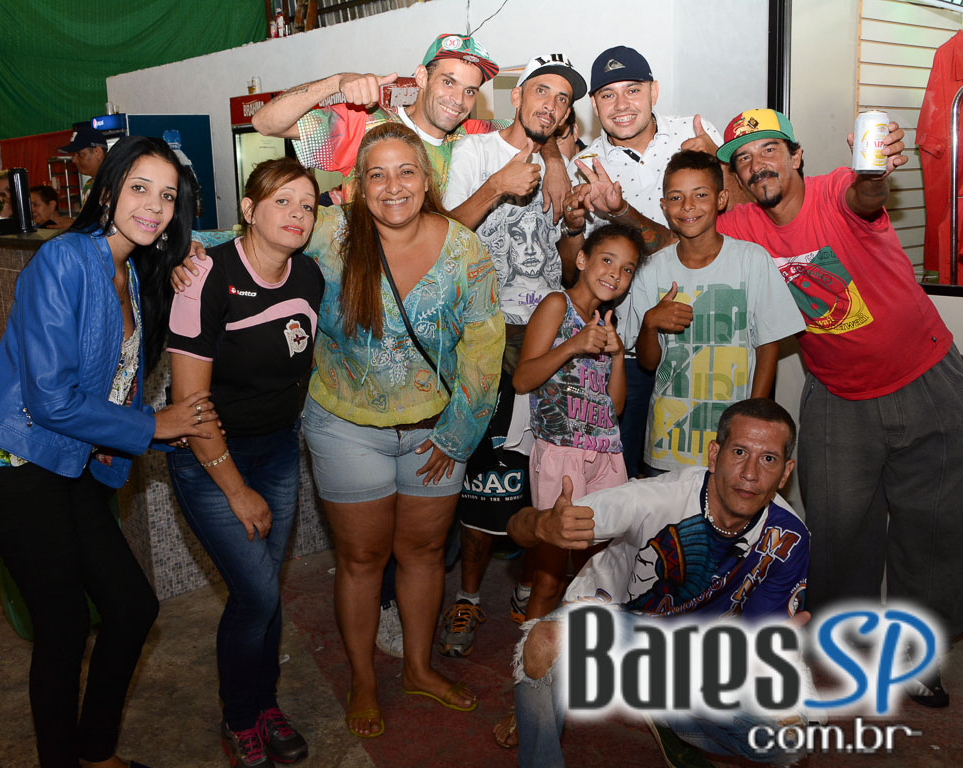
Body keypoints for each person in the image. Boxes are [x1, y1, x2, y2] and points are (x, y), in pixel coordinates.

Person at [0, 135, 211, 768]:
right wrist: (152, 425)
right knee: (65, 627)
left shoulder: (133, 269)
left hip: (70, 458)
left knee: (131, 607)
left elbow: (110, 373)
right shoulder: (64, 259)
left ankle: (96, 753)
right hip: (12, 459)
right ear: (106, 192)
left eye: (167, 197)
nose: (153, 206)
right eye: (139, 188)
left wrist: (185, 260)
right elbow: (50, 398)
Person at [713, 108, 963, 705]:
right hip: (836, 395)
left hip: (925, 377)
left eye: (768, 150)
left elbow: (866, 196)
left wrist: (872, 172)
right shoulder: (743, 225)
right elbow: (685, 227)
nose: (757, 165)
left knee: (931, 527)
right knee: (839, 530)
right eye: (743, 159)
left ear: (796, 156)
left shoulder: (835, 192)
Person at [297, 122, 503, 737]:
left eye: (406, 171)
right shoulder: (329, 234)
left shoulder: (465, 249)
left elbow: (485, 346)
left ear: (427, 179)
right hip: (345, 426)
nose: (393, 186)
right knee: (362, 559)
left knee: (424, 554)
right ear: (357, 186)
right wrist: (188, 259)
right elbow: (248, 239)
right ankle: (363, 680)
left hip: (435, 434)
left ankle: (418, 668)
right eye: (377, 174)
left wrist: (458, 435)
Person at [506, 398, 810, 767]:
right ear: (715, 455)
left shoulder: (788, 537)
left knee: (787, 736)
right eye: (739, 452)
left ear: (785, 473)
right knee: (543, 642)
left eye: (768, 459)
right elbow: (516, 527)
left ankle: (669, 714)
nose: (750, 473)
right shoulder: (653, 499)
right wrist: (541, 525)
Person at [166, 158, 324, 767]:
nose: (297, 214)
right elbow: (190, 405)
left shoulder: (309, 275)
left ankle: (265, 704)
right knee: (257, 593)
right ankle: (240, 716)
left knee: (263, 591)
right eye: (282, 201)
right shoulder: (205, 276)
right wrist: (235, 489)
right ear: (250, 209)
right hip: (209, 457)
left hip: (277, 449)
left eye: (307, 205)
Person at [438, 52, 586, 658]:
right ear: (517, 95)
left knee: (545, 475)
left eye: (562, 99)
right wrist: (498, 185)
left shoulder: (564, 163)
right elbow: (445, 236)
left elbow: (568, 263)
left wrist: (573, 221)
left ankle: (530, 586)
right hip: (485, 338)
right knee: (485, 479)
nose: (551, 105)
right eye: (541, 91)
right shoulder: (474, 151)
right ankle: (469, 595)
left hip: (546, 338)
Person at [557, 46, 730, 481]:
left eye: (632, 90)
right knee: (620, 478)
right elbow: (574, 270)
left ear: (654, 91)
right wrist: (573, 224)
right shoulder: (585, 166)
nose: (621, 105)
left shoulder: (694, 134)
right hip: (629, 350)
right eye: (607, 94)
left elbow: (731, 226)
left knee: (705, 475)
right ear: (594, 104)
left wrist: (722, 162)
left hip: (705, 340)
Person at [629, 150, 805, 474]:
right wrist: (650, 324)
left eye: (700, 195)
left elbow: (768, 346)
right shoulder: (651, 270)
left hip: (734, 444)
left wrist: (751, 421)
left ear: (721, 199)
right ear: (664, 206)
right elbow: (648, 363)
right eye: (676, 197)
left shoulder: (752, 260)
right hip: (668, 444)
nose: (688, 206)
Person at [512, 223, 642, 621]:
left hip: (606, 455)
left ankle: (591, 652)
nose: (615, 274)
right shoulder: (557, 304)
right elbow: (522, 379)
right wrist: (574, 345)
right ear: (582, 259)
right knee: (549, 577)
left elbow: (613, 408)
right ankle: (529, 657)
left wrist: (617, 355)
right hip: (562, 456)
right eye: (607, 260)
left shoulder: (605, 322)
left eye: (627, 269)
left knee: (600, 576)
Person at [252, 32, 501, 197]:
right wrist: (336, 81)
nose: (458, 100)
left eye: (470, 91)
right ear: (422, 77)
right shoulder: (367, 123)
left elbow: (523, 131)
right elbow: (265, 123)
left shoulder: (471, 136)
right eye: (448, 82)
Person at [60, 126, 108, 201]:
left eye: (80, 154)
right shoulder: (89, 186)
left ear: (98, 152)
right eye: (73, 155)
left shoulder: (116, 184)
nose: (74, 160)